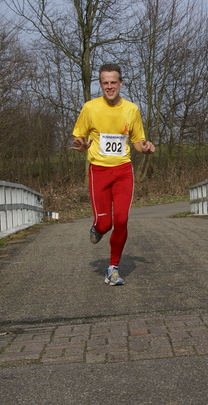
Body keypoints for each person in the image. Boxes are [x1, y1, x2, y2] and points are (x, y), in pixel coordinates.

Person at [71, 63, 155, 286]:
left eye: (113, 82)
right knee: (105, 224)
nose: (110, 87)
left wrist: (145, 147)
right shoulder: (90, 108)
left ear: (121, 83)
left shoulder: (132, 109)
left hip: (123, 170)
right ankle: (97, 227)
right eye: (105, 83)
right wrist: (81, 144)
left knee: (122, 220)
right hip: (98, 171)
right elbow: (79, 136)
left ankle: (113, 269)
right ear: (101, 84)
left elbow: (137, 141)